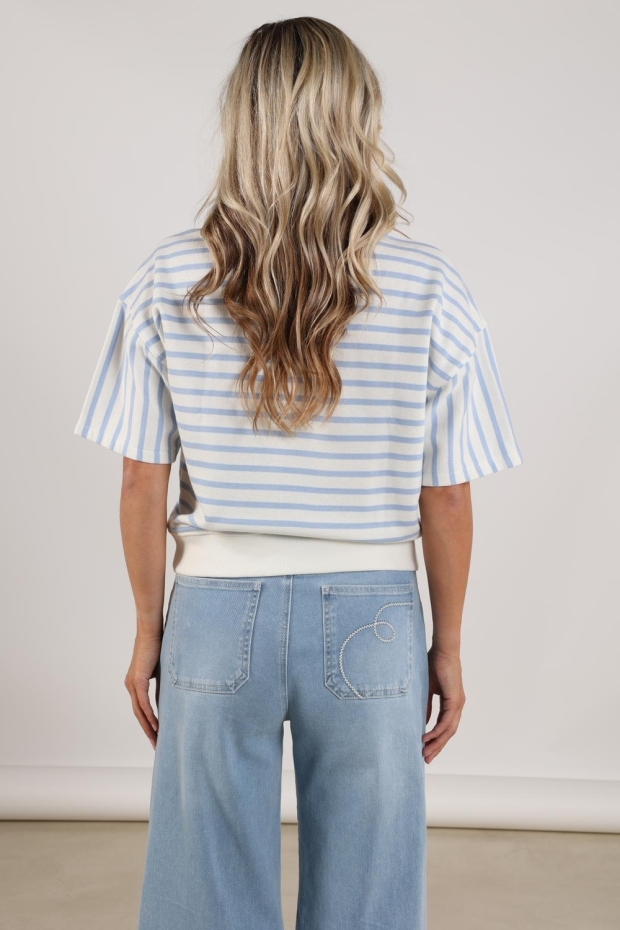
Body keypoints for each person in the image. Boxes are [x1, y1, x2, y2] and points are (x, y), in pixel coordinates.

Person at [74, 16, 522, 930]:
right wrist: (447, 644)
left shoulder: (168, 278)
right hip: (373, 618)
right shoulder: (430, 286)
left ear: (242, 122)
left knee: (202, 892)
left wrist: (149, 629)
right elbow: (446, 494)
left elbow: (140, 484)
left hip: (214, 613)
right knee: (371, 895)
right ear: (358, 119)